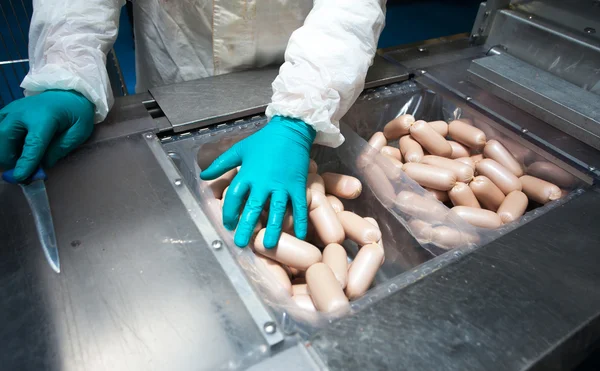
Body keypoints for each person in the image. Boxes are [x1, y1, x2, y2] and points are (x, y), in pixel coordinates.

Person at [0, 0, 386, 248]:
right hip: (179, 82)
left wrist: (301, 115)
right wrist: (66, 73)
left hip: (307, 73)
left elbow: (351, 7)